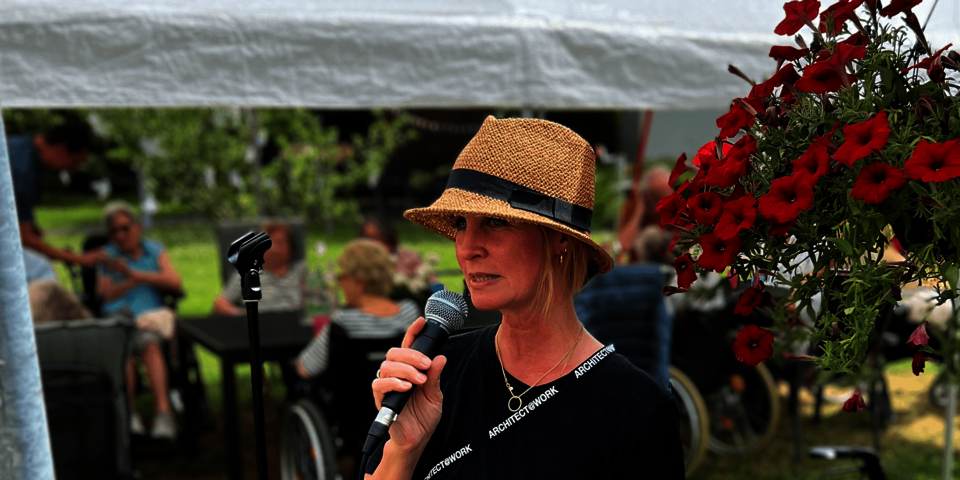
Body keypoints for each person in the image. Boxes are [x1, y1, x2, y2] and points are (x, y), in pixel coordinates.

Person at [367, 117, 684, 479]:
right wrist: (403, 450)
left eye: (496, 222)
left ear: (560, 239)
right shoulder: (438, 376)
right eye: (460, 223)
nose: (467, 248)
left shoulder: (635, 409)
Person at [97, 202, 182, 439]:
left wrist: (134, 274)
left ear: (137, 228)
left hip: (149, 316)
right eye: (114, 231)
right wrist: (131, 281)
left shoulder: (154, 250)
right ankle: (129, 415)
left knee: (150, 345)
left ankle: (163, 414)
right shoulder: (108, 256)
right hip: (119, 317)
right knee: (124, 354)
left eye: (125, 228)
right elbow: (105, 294)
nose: (120, 235)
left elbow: (175, 282)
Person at [296, 239, 420, 378]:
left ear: (359, 282)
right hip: (403, 397)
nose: (340, 283)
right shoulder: (410, 312)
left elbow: (306, 368)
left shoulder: (343, 321)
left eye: (342, 277)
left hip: (352, 398)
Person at [9, 121, 107, 271]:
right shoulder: (23, 172)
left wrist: (28, 226)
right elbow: (24, 238)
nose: (73, 169)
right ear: (60, 150)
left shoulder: (17, 145)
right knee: (39, 273)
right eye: (75, 162)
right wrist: (78, 259)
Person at [213, 220, 307, 315]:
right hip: (260, 324)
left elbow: (318, 297)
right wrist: (244, 315)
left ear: (291, 249)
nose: (274, 249)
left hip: (294, 323)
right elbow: (220, 303)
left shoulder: (302, 271)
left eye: (279, 243)